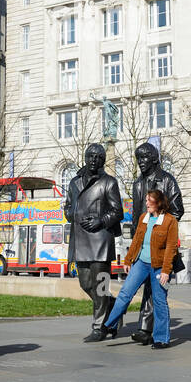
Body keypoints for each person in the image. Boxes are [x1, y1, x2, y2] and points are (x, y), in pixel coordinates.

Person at [102, 190, 181, 349]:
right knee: (125, 293)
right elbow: (137, 241)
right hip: (141, 263)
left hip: (159, 267)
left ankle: (161, 339)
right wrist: (128, 259)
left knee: (159, 302)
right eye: (146, 200)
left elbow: (171, 248)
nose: (146, 203)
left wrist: (166, 270)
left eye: (149, 201)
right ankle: (109, 325)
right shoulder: (143, 218)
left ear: (158, 202)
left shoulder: (169, 221)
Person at [63, 143, 124, 342]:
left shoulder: (109, 182)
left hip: (101, 242)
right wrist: (71, 214)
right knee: (85, 284)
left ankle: (99, 328)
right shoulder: (74, 182)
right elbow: (68, 205)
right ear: (85, 157)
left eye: (98, 157)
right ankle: (112, 306)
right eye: (91, 156)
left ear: (103, 161)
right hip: (80, 240)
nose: (94, 160)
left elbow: (117, 212)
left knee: (101, 287)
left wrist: (101, 220)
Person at [127, 143, 185, 345]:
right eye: (138, 158)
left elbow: (178, 209)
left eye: (144, 157)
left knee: (158, 289)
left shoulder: (167, 180)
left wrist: (159, 227)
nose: (141, 162)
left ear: (154, 158)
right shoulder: (137, 184)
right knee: (147, 287)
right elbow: (136, 216)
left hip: (160, 245)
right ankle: (145, 328)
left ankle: (151, 331)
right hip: (142, 246)